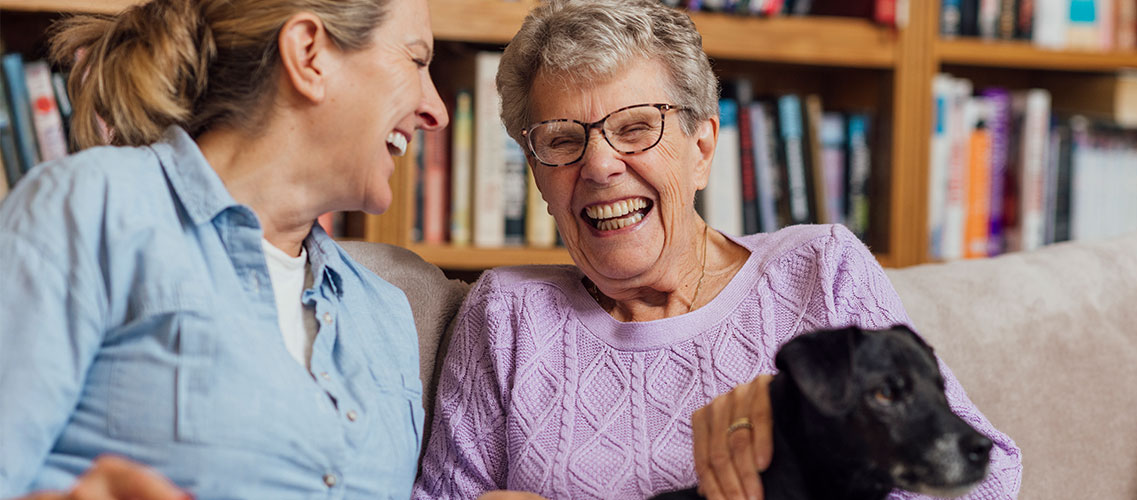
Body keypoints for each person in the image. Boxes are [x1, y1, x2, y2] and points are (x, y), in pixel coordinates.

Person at [413, 0, 1022, 499]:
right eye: (563, 140)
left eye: (634, 128)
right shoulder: (506, 315)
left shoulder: (820, 270)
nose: (599, 166)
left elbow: (989, 481)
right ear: (538, 175)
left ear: (702, 148)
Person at [0, 0, 448, 498]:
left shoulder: (385, 314)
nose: (437, 111)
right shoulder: (91, 209)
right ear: (309, 54)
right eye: (417, 60)